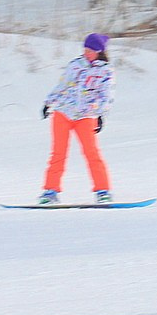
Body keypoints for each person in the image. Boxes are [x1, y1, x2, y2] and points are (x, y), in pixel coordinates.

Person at [38, 33, 115, 205]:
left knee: (92, 153)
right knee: (58, 153)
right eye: (85, 49)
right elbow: (62, 85)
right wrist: (48, 103)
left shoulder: (105, 72)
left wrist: (101, 115)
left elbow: (106, 96)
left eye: (91, 51)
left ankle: (103, 191)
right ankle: (50, 192)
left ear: (100, 52)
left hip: (86, 116)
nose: (87, 53)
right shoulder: (75, 65)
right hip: (63, 113)